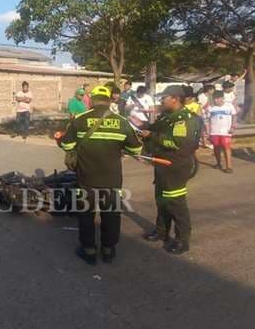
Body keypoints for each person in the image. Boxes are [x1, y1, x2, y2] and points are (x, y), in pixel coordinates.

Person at [59, 86, 143, 265]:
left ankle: (88, 251)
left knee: (86, 214)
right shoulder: (121, 122)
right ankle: (108, 250)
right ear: (109, 100)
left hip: (86, 178)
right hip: (111, 180)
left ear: (93, 100)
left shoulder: (80, 120)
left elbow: (67, 146)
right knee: (111, 214)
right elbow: (136, 149)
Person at [139, 85, 201, 255]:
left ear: (174, 98)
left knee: (175, 203)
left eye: (163, 97)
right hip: (162, 164)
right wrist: (144, 128)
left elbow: (176, 142)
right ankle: (161, 232)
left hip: (175, 167)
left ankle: (182, 239)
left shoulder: (185, 119)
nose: (161, 100)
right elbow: (155, 129)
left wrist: (151, 136)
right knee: (161, 200)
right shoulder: (167, 117)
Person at [207, 91, 237, 173]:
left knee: (226, 148)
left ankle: (229, 166)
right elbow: (208, 120)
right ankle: (219, 163)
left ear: (222, 98)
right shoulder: (211, 107)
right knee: (216, 148)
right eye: (214, 99)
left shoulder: (229, 106)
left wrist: (233, 127)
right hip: (214, 131)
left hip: (226, 131)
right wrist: (208, 132)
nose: (216, 101)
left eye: (218, 98)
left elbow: (234, 116)